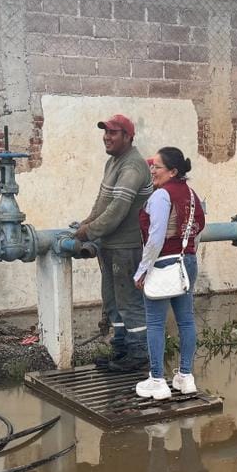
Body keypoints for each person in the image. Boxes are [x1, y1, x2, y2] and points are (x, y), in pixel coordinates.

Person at [76, 115, 154, 373]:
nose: (107, 137)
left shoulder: (133, 166)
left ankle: (139, 353)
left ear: (128, 137)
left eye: (113, 132)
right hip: (110, 245)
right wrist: (85, 224)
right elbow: (103, 202)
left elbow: (118, 208)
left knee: (129, 301)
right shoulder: (113, 162)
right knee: (111, 300)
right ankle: (120, 350)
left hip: (127, 246)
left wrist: (89, 232)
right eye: (106, 132)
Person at [133, 147, 205, 400]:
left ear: (173, 171)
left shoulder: (162, 196)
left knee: (155, 323)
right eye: (152, 165)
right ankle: (185, 377)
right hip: (188, 262)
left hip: (163, 263)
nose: (152, 170)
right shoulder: (192, 194)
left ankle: (157, 381)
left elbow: (155, 238)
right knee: (186, 321)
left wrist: (141, 271)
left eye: (158, 166)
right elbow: (199, 226)